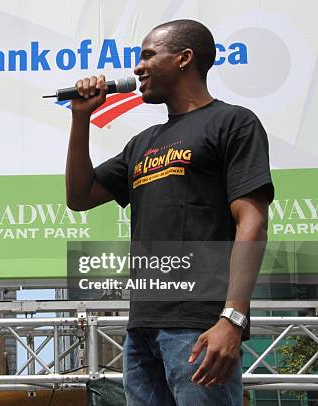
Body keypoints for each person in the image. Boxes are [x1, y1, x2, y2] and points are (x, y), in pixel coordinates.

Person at [65, 20, 273, 405]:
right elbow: (79, 196)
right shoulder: (142, 143)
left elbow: (252, 221)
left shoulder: (233, 122)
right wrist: (81, 118)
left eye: (147, 55)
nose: (138, 68)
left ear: (184, 58)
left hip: (200, 326)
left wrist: (232, 319)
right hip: (142, 327)